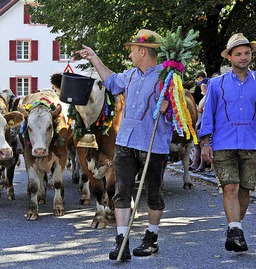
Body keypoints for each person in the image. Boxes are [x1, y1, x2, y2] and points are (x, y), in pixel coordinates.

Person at [79, 29, 171, 261]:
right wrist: (94, 58)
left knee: (153, 194)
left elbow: (181, 117)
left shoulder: (167, 77)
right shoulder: (129, 75)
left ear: (142, 51)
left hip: (153, 144)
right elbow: (110, 80)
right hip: (126, 142)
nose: (129, 53)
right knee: (121, 192)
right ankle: (122, 241)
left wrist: (167, 108)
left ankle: (151, 237)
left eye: (132, 49)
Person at [200, 33, 256, 253]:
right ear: (230, 57)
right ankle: (235, 229)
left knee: (245, 190)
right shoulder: (216, 84)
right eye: (238, 54)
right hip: (223, 143)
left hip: (252, 143)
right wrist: (205, 142)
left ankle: (235, 229)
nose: (243, 57)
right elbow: (208, 114)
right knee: (230, 186)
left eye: (247, 53)